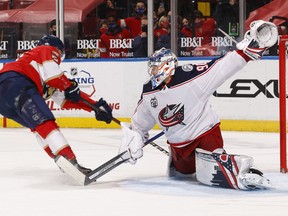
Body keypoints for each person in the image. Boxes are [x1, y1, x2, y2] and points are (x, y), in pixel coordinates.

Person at [119, 20, 278, 190]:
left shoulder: (190, 78)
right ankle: (185, 164)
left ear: (167, 66)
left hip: (205, 135)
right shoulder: (149, 92)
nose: (153, 72)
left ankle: (227, 164)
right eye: (152, 68)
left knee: (211, 159)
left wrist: (243, 53)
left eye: (156, 68)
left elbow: (220, 68)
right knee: (182, 176)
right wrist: (134, 138)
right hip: (179, 148)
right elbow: (140, 122)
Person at [0, 35, 113, 175]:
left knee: (39, 128)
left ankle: (60, 159)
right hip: (17, 84)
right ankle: (69, 160)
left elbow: (65, 99)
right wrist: (68, 85)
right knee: (45, 122)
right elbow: (54, 77)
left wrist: (94, 107)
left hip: (4, 99)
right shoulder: (46, 50)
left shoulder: (34, 63)